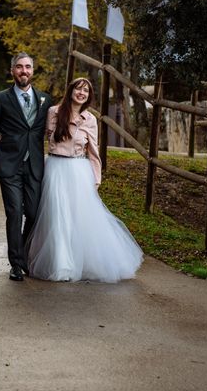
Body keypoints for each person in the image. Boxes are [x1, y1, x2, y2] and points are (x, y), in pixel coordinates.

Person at [28, 77, 143, 282]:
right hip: (55, 168)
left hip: (79, 170)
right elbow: (39, 139)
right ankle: (61, 264)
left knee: (78, 218)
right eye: (79, 89)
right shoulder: (53, 112)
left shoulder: (89, 119)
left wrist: (96, 179)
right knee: (57, 217)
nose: (82, 93)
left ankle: (82, 261)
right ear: (71, 90)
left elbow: (94, 152)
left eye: (86, 91)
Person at [0, 52, 53, 281]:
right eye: (19, 67)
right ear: (12, 71)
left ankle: (24, 254)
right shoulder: (1, 98)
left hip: (35, 165)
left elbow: (51, 131)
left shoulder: (45, 100)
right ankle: (16, 265)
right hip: (9, 165)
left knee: (32, 213)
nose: (24, 71)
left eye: (28, 67)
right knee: (14, 213)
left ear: (33, 70)